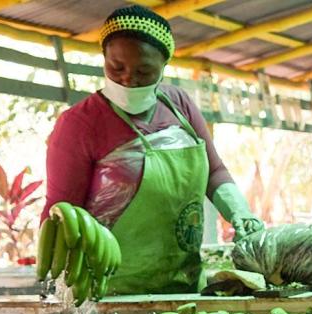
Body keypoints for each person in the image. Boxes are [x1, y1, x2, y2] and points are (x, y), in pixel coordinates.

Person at [42, 6, 263, 295]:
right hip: (110, 291)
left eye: (144, 71)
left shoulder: (179, 105)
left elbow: (214, 171)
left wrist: (240, 213)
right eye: (116, 67)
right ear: (104, 58)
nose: (128, 79)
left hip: (184, 286)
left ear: (164, 66)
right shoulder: (80, 124)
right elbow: (61, 211)